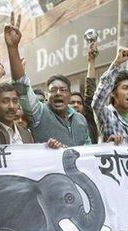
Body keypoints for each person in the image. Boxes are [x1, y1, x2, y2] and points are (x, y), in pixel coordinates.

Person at [5, 12, 91, 147]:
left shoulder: (80, 119)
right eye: (53, 90)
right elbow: (21, 87)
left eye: (63, 90)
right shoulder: (39, 114)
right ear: (48, 96)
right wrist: (13, 48)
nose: (58, 93)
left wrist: (108, 146)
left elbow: (89, 151)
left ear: (69, 94)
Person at [92, 47, 128, 146]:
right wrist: (116, 63)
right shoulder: (106, 114)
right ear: (113, 93)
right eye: (125, 88)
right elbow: (97, 101)